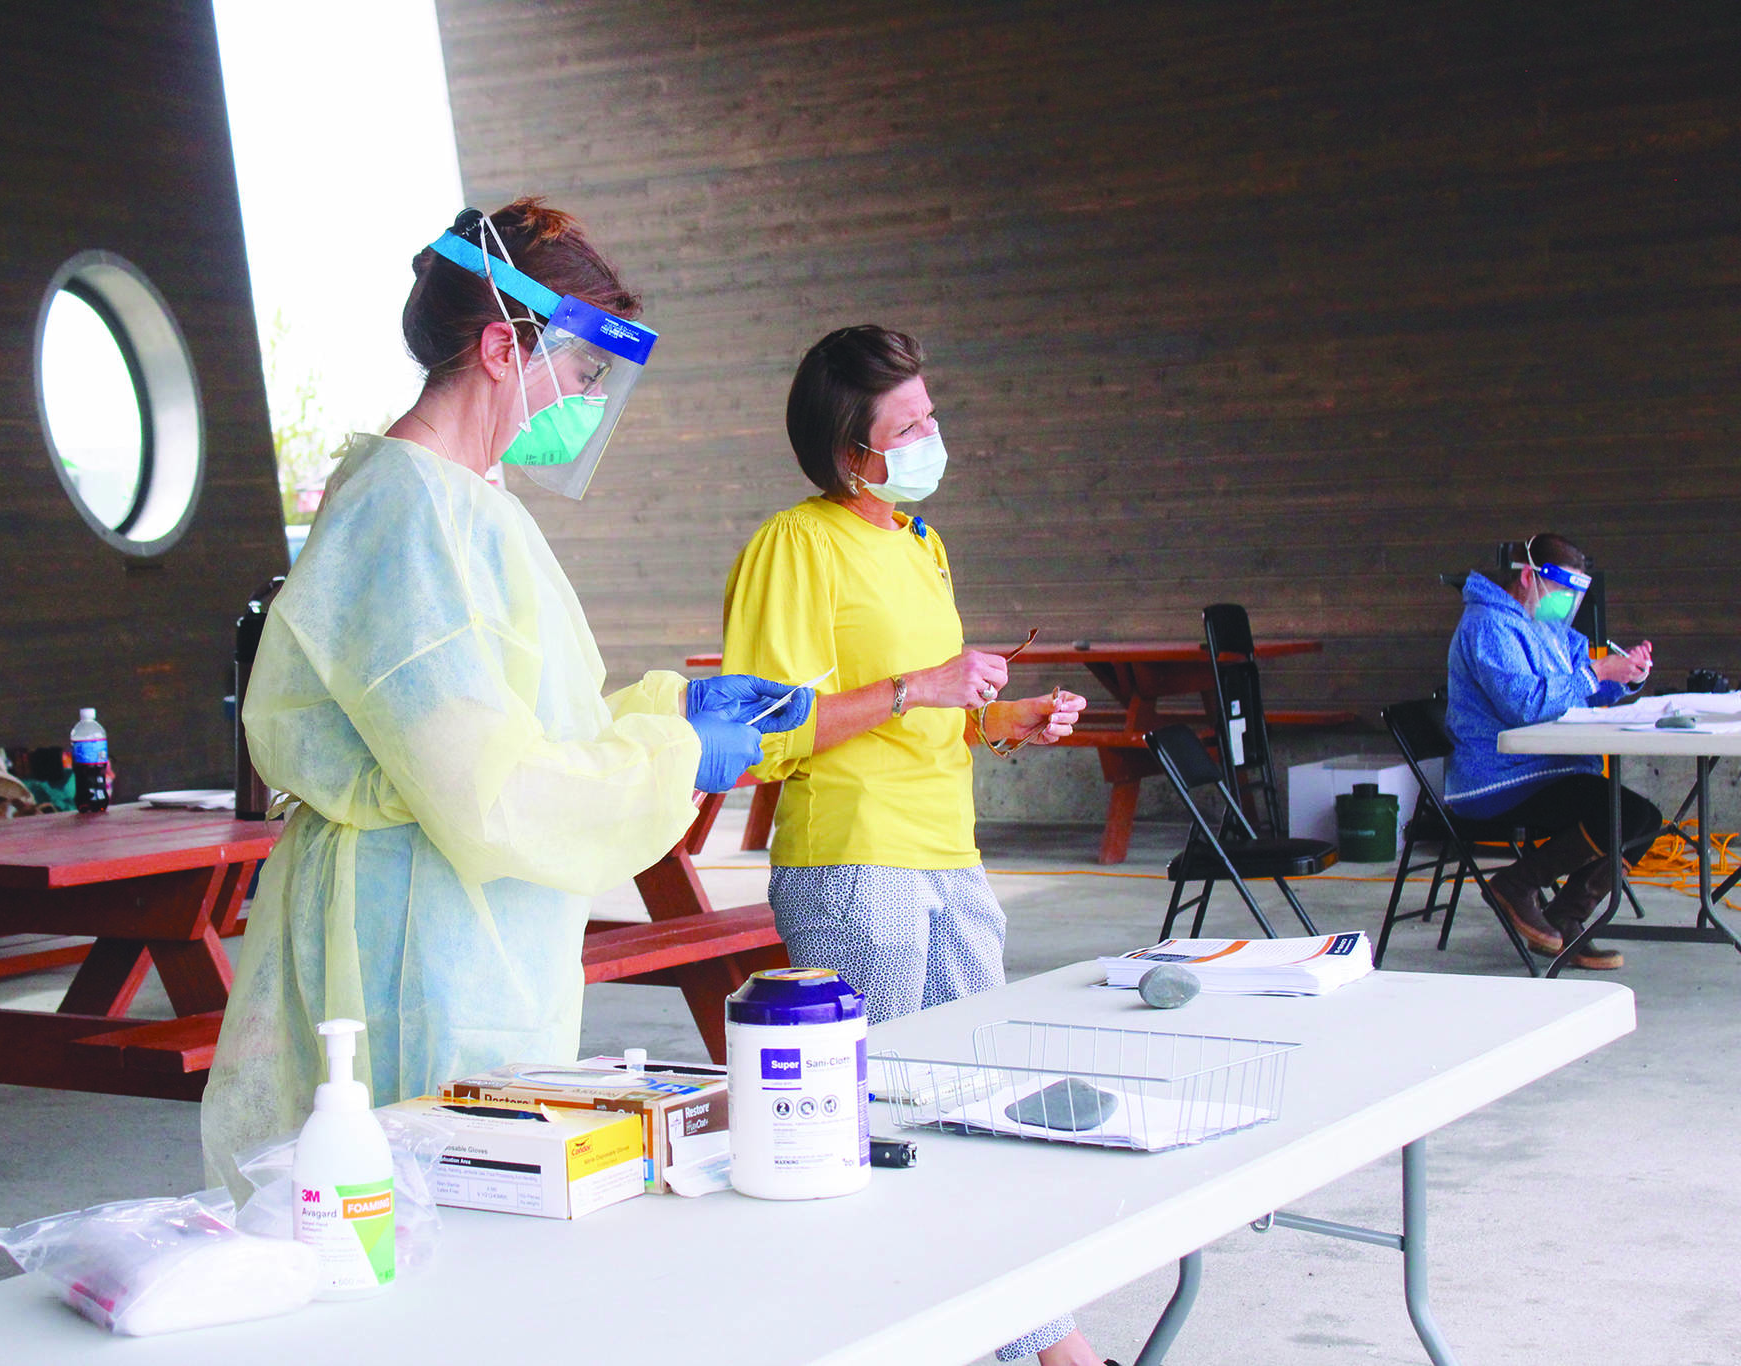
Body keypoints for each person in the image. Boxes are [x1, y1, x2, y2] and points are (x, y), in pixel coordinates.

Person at [201, 200, 809, 1189]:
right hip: (419, 932)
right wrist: (677, 757)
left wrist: (664, 716)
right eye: (579, 372)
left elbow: (514, 727)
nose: (581, 398)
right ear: (499, 347)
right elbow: (487, 789)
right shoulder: (410, 513)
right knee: (428, 1208)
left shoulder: (461, 501)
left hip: (464, 923)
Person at [721, 326, 1109, 1366]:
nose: (933, 436)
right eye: (908, 426)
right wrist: (920, 687)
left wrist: (999, 719)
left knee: (977, 1111)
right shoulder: (793, 545)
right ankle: (1036, 1347)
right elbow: (762, 732)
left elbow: (922, 711)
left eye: (931, 415)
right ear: (852, 448)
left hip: (948, 852)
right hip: (854, 863)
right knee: (889, 1127)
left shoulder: (916, 539)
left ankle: (1038, 1341)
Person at [1446, 532, 1657, 970]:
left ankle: (1565, 916)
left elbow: (1581, 692)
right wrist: (1597, 671)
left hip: (1546, 768)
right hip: (1498, 776)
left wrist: (1624, 677)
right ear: (1529, 577)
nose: (1567, 606)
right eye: (1563, 593)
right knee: (1612, 813)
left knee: (1642, 820)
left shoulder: (1550, 629)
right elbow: (1524, 704)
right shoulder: (1488, 624)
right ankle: (1516, 885)